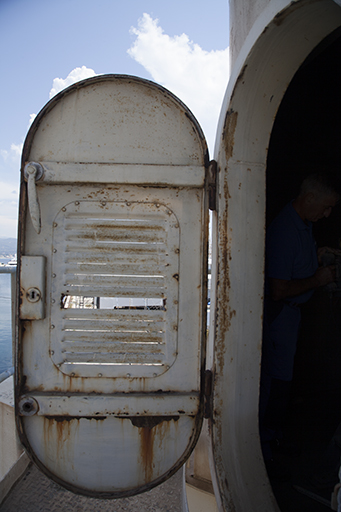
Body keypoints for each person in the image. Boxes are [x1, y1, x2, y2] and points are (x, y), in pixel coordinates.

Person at [259, 173, 340, 480]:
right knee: (276, 384)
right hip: (281, 315)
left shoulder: (304, 224)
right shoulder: (284, 231)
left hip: (292, 317)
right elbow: (278, 289)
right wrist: (317, 280)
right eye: (327, 207)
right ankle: (267, 449)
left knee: (283, 381)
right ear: (309, 199)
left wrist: (315, 259)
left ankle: (273, 441)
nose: (328, 214)